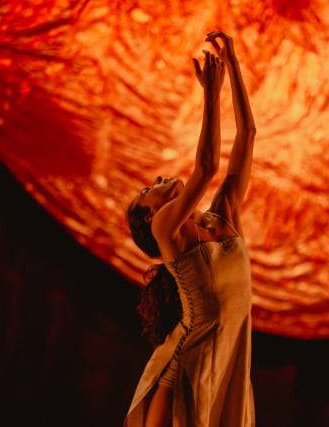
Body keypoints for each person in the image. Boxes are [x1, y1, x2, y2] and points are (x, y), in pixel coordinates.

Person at [124, 30, 257, 427]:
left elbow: (247, 135)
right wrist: (210, 94)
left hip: (226, 366)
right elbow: (207, 167)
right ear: (151, 216)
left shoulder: (224, 218)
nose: (157, 180)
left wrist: (233, 65)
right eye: (147, 191)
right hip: (186, 370)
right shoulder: (166, 229)